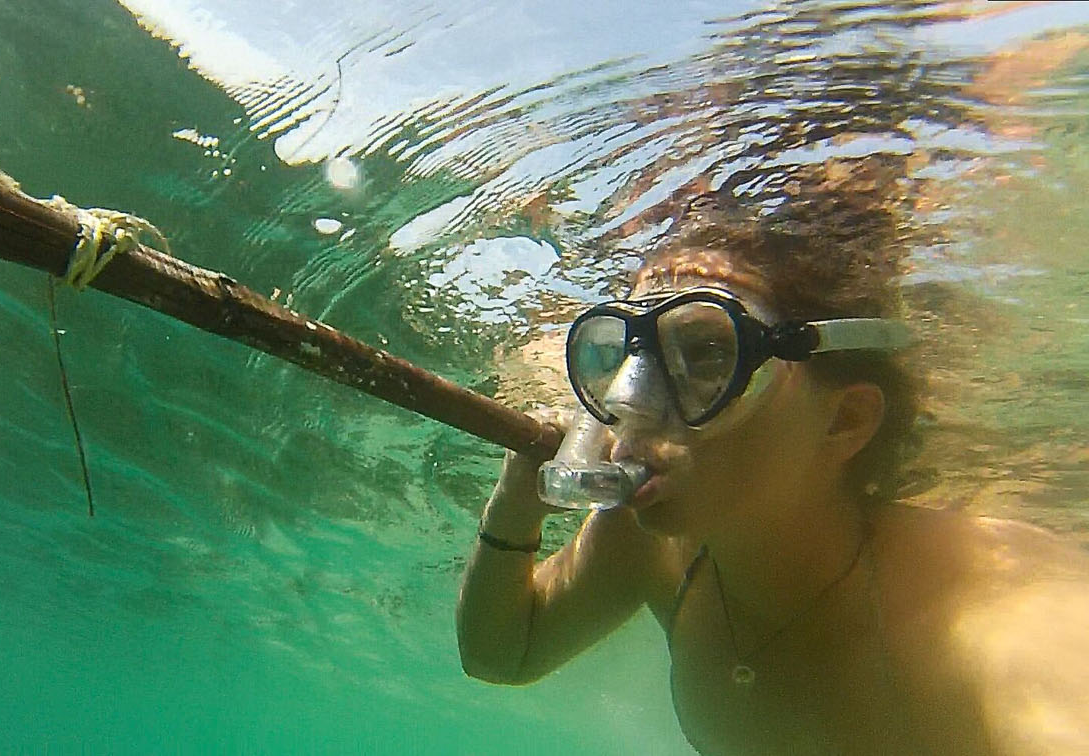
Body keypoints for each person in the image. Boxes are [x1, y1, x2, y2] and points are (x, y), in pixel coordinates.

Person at [455, 164, 1089, 754]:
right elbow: (505, 653)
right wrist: (517, 502)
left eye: (705, 355)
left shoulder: (1001, 618)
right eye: (623, 353)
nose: (629, 398)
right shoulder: (654, 544)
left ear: (845, 420)